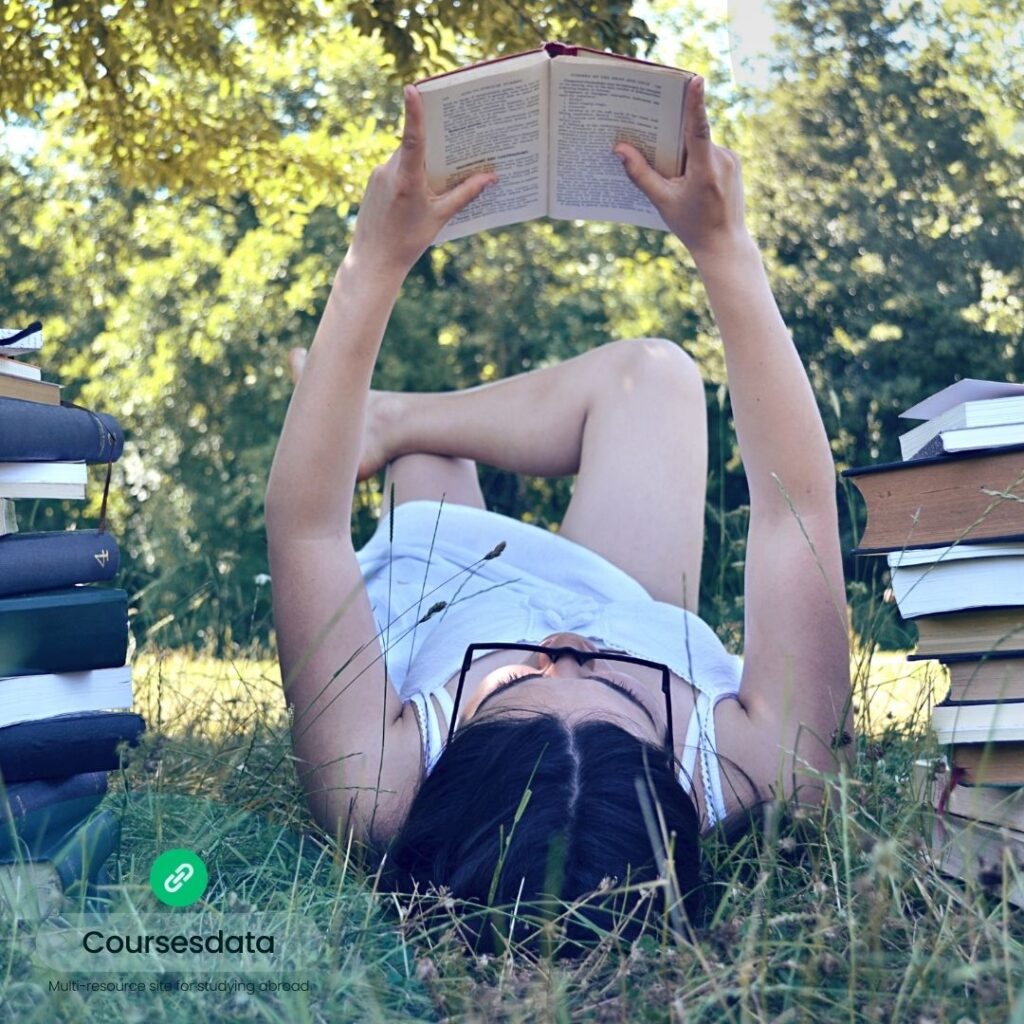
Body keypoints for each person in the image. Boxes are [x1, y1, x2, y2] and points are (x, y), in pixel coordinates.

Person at [265, 76, 852, 954]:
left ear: (446, 774)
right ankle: (394, 418)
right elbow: (794, 511)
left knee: (433, 468)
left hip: (445, 593)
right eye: (617, 689)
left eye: (523, 683)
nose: (569, 653)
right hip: (626, 601)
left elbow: (307, 526)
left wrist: (374, 262)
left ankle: (402, 431)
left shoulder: (372, 787)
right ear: (680, 779)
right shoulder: (769, 772)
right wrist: (727, 249)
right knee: (656, 376)